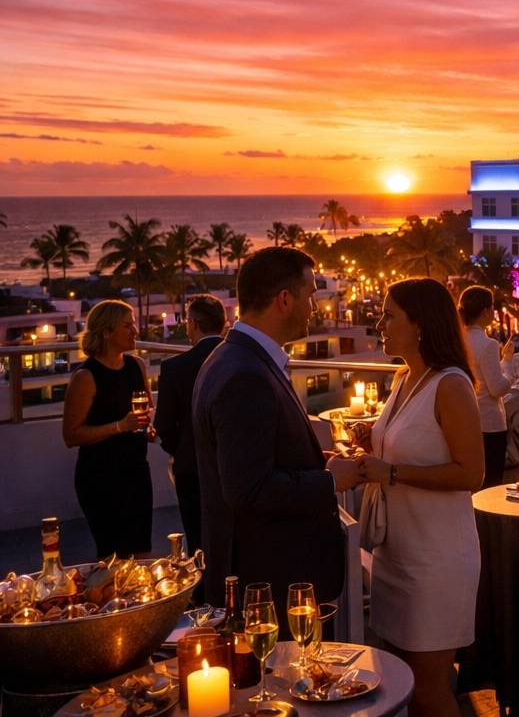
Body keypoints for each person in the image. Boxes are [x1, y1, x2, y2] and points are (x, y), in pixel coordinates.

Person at [193, 247, 362, 607]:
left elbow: (253, 459)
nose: (314, 309)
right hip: (267, 586)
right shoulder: (245, 375)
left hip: (260, 576)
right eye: (311, 296)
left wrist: (318, 460)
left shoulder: (228, 357)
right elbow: (249, 489)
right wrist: (331, 480)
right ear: (285, 300)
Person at [348, 279, 482, 717]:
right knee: (400, 683)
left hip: (436, 560)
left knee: (428, 689)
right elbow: (411, 444)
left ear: (420, 323)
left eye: (389, 315)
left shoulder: (451, 385)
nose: (379, 323)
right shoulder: (405, 377)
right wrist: (373, 442)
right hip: (397, 555)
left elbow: (472, 472)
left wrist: (392, 470)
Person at [62, 300, 154, 559]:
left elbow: (145, 419)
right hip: (100, 477)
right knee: (111, 557)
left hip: (136, 470)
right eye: (127, 325)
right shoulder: (86, 377)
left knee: (141, 553)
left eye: (134, 323)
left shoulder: (138, 366)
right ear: (106, 332)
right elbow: (71, 435)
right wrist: (119, 426)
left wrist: (149, 430)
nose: (135, 330)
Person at [155, 294, 227, 562]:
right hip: (233, 463)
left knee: (198, 539)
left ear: (192, 325)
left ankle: (204, 596)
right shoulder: (239, 359)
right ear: (224, 323)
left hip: (191, 467)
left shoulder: (175, 368)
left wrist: (182, 449)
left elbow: (163, 424)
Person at [458, 285, 514, 488]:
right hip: (488, 424)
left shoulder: (457, 339)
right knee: (490, 484)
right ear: (485, 311)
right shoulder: (487, 343)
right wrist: (508, 362)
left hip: (463, 420)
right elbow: (497, 388)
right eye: (492, 307)